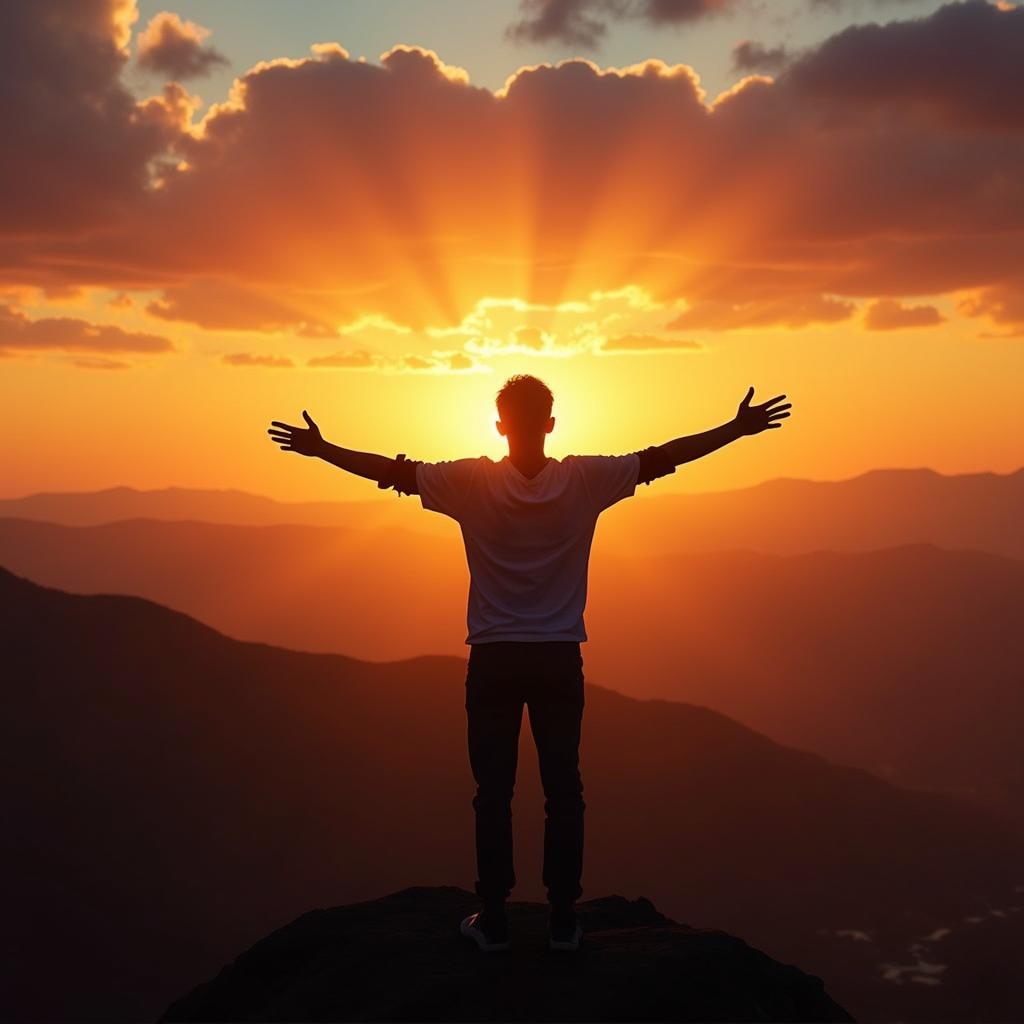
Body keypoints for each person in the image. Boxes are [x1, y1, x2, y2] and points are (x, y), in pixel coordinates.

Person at [267, 374, 792, 953]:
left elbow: (390, 472)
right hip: (558, 658)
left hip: (492, 657)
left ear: (499, 426)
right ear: (549, 423)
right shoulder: (586, 480)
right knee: (563, 790)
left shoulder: (468, 482)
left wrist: (321, 449)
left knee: (492, 792)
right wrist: (737, 430)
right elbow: (664, 457)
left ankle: (493, 918)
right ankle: (563, 920)